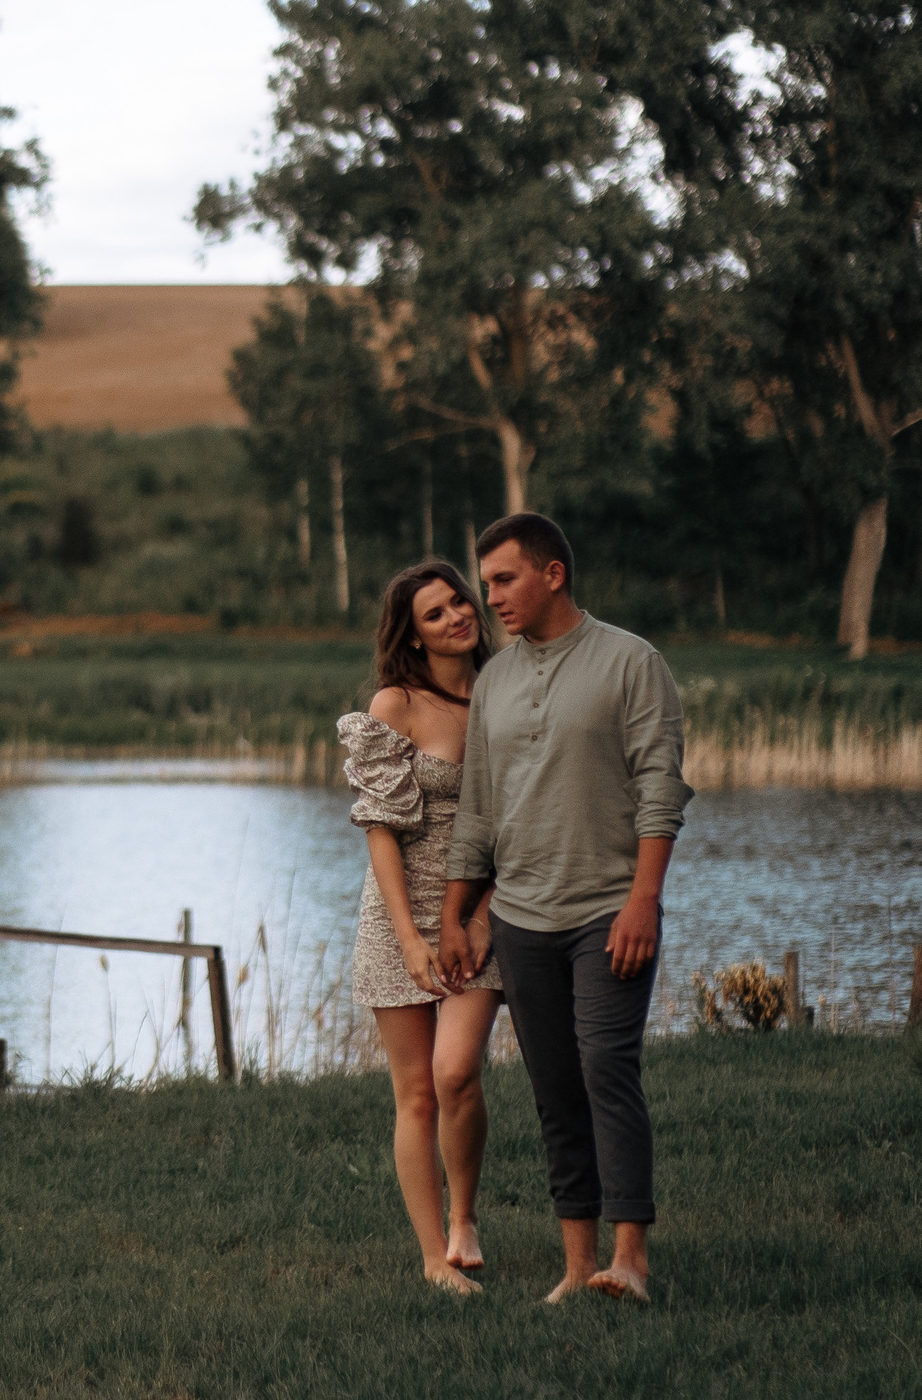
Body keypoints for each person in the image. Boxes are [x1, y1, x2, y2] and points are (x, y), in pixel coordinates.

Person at [440, 512, 689, 1306]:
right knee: (554, 1087)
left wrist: (642, 899)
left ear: (553, 573)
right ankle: (579, 1267)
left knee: (606, 1067)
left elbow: (660, 786)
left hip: (607, 911)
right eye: (486, 586)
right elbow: (477, 809)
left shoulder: (631, 661)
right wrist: (455, 912)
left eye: (505, 580)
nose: (492, 599)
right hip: (519, 917)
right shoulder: (496, 681)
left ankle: (632, 1261)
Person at [337, 559, 504, 1296]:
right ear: (412, 632)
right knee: (415, 1091)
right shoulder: (396, 703)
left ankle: (465, 1216)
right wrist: (409, 936)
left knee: (457, 1071)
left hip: (481, 913)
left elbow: (526, 821)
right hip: (399, 910)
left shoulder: (510, 691)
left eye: (459, 602)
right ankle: (435, 1255)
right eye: (434, 613)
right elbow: (379, 827)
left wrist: (482, 917)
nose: (456, 617)